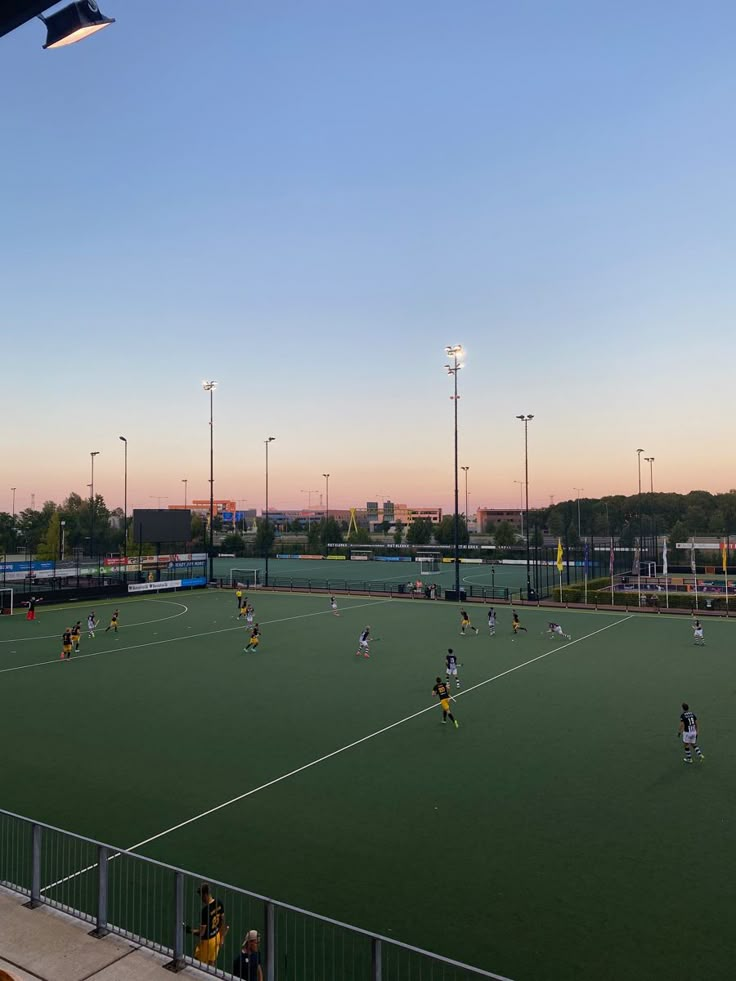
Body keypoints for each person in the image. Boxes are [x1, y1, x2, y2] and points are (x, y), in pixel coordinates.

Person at [189, 883, 228, 966]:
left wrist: (190, 930)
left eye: (202, 896)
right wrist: (222, 937)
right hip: (216, 937)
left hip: (208, 941)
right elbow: (222, 921)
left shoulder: (205, 911)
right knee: (211, 962)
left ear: (206, 894)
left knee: (196, 963)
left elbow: (202, 933)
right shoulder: (219, 902)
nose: (201, 899)